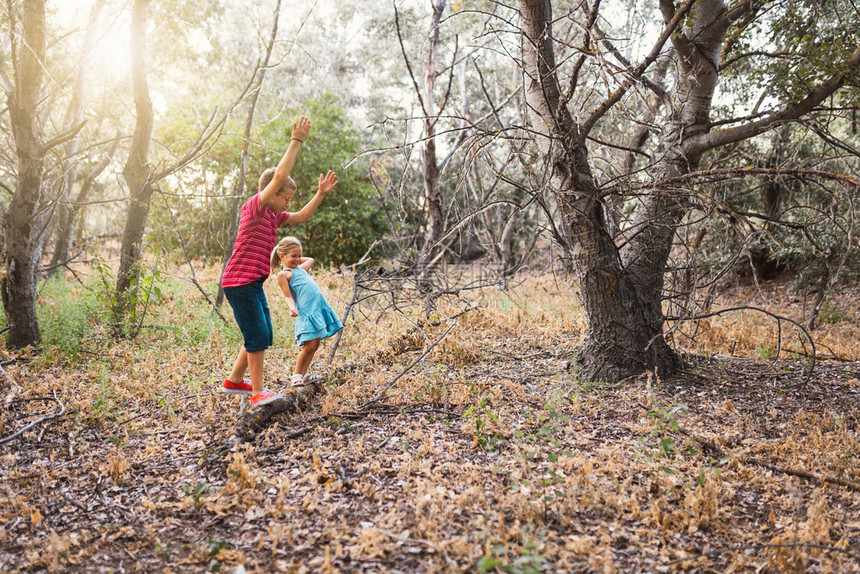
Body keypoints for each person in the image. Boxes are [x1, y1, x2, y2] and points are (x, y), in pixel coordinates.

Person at [221, 115, 338, 408]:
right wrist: (296, 141)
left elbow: (302, 216)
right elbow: (277, 177)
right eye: (285, 197)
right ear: (272, 193)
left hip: (252, 283)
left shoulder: (275, 217)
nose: (288, 203)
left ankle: (234, 380)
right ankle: (259, 393)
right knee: (257, 334)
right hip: (239, 281)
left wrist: (320, 194)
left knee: (261, 331)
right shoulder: (256, 208)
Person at [270, 236, 343, 387]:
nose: (297, 259)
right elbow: (287, 296)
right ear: (282, 256)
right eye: (293, 256)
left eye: (298, 256)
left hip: (318, 309)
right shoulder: (285, 275)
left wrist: (295, 258)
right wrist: (292, 308)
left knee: (315, 345)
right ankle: (296, 375)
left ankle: (303, 375)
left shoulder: (300, 269)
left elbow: (310, 259)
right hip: (306, 313)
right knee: (308, 346)